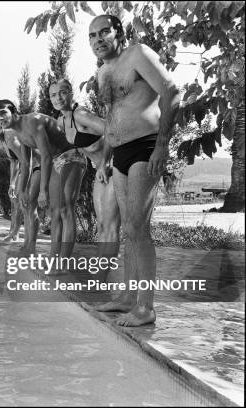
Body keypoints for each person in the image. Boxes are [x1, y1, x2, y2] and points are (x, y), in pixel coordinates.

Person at [88, 15, 180, 326]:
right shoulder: (103, 72)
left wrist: (163, 145)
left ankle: (146, 307)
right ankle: (128, 297)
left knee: (138, 227)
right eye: (92, 36)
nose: (98, 39)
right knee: (128, 227)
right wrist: (105, 158)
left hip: (145, 146)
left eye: (104, 32)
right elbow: (114, 116)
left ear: (119, 32)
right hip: (120, 153)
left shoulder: (138, 53)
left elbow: (171, 90)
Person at [49, 78, 121, 281]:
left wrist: (105, 161)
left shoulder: (80, 114)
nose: (58, 98)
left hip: (114, 167)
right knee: (102, 225)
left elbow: (111, 130)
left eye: (62, 92)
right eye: (53, 95)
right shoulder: (62, 122)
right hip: (101, 171)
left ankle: (100, 277)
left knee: (110, 224)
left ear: (71, 92)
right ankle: (101, 274)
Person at [0, 99, 79, 260]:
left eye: (3, 113)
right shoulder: (19, 132)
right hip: (55, 160)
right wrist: (22, 190)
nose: (0, 119)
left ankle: (62, 261)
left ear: (14, 111)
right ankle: (54, 259)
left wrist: (43, 190)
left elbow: (45, 156)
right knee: (55, 211)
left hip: (71, 155)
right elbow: (26, 163)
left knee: (64, 210)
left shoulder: (32, 121)